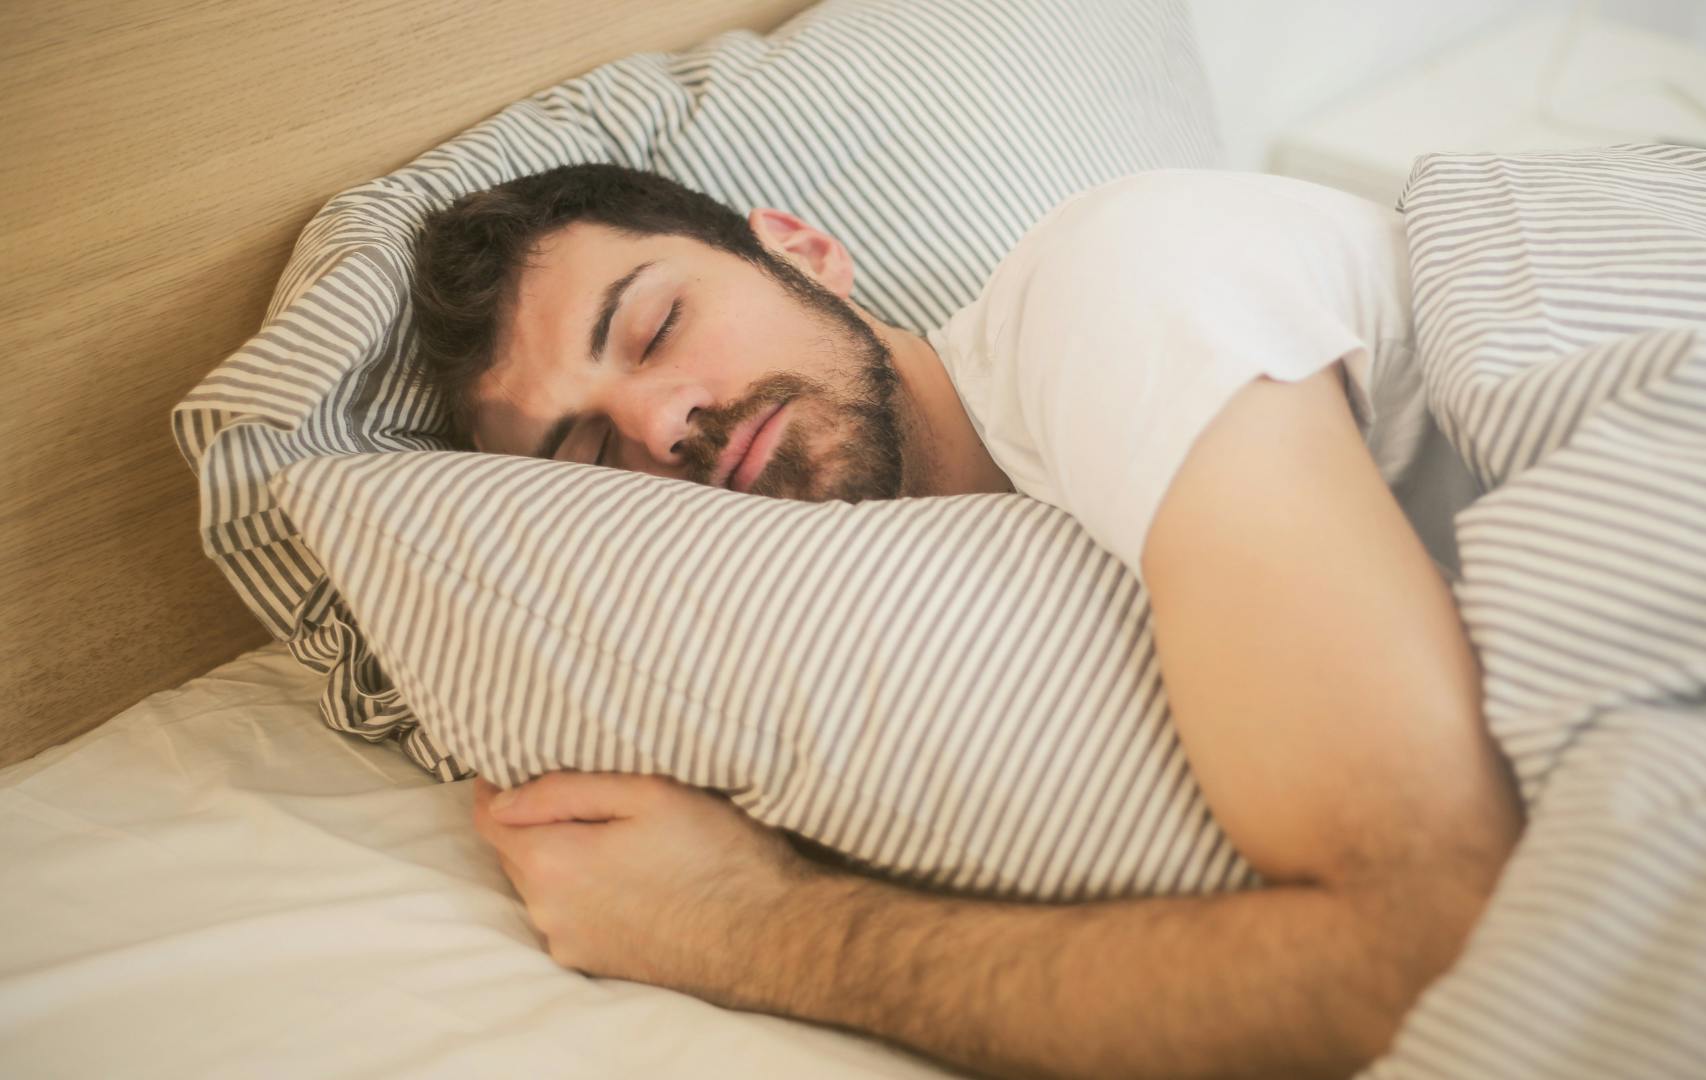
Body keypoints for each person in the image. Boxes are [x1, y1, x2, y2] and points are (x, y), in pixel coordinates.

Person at [410, 163, 1523, 1080]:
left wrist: (745, 926)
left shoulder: (1115, 292)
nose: (661, 423)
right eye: (593, 455)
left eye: (655, 327)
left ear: (800, 251)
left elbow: (1437, 954)